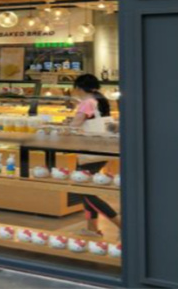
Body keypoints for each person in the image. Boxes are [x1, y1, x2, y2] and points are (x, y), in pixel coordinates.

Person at [71, 74, 121, 237]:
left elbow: (75, 125)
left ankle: (121, 224)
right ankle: (92, 229)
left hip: (89, 150)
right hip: (102, 148)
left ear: (79, 88)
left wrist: (62, 127)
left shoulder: (87, 102)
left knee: (84, 190)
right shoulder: (100, 99)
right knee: (87, 188)